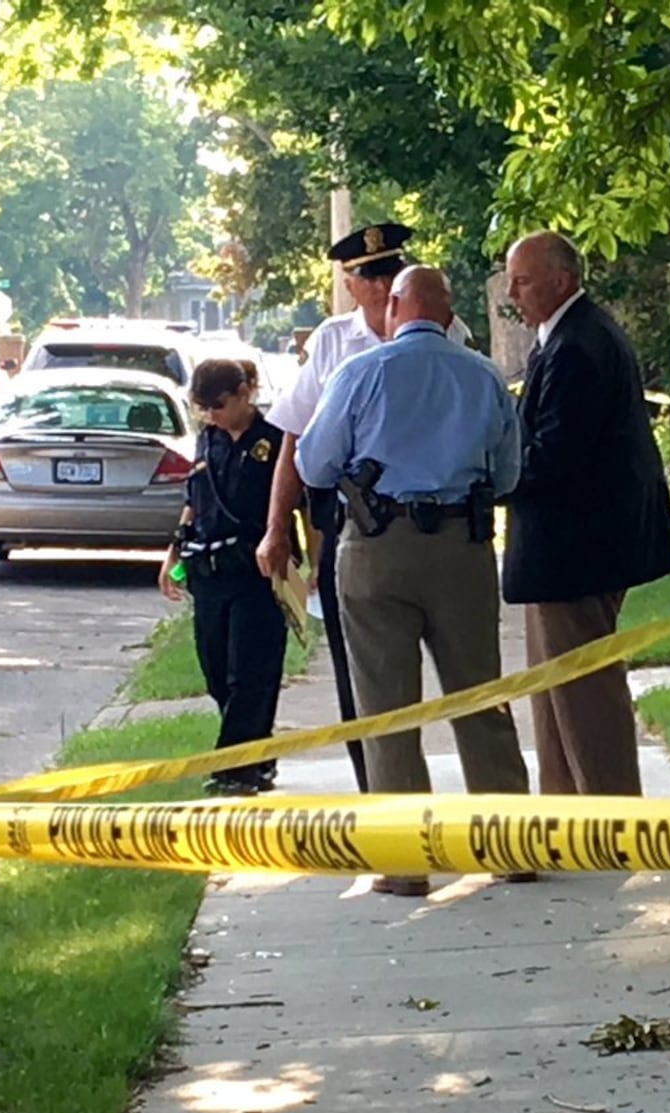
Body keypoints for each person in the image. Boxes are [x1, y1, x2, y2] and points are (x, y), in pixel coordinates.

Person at [296, 266, 529, 897]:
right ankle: (510, 846)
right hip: (462, 546)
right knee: (480, 695)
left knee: (386, 707)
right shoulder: (481, 375)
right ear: (448, 312)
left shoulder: (359, 373)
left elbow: (314, 464)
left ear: (395, 305)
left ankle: (405, 865)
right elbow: (508, 473)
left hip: (377, 546)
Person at [257, 223, 474, 794]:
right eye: (368, 276)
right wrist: (276, 528)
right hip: (353, 523)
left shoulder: (451, 334)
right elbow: (295, 440)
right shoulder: (334, 342)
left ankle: (490, 819)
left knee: (471, 685)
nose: (379, 285)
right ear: (350, 285)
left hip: (447, 522)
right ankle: (380, 806)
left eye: (388, 272)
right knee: (368, 686)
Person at [502, 231, 670, 801]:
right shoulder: (563, 339)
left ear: (563, 279)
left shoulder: (580, 344)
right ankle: (564, 807)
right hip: (568, 544)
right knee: (553, 683)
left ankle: (610, 812)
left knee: (583, 685)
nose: (512, 293)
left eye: (523, 280)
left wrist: (488, 480)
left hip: (578, 548)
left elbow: (557, 453)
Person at [159, 359, 288, 796]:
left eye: (218, 404)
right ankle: (258, 755)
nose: (212, 414)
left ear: (243, 393)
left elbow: (298, 505)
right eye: (202, 407)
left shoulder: (274, 441)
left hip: (255, 571)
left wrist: (309, 564)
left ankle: (234, 768)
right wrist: (173, 557)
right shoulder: (208, 441)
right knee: (215, 669)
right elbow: (194, 503)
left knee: (249, 673)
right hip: (208, 572)